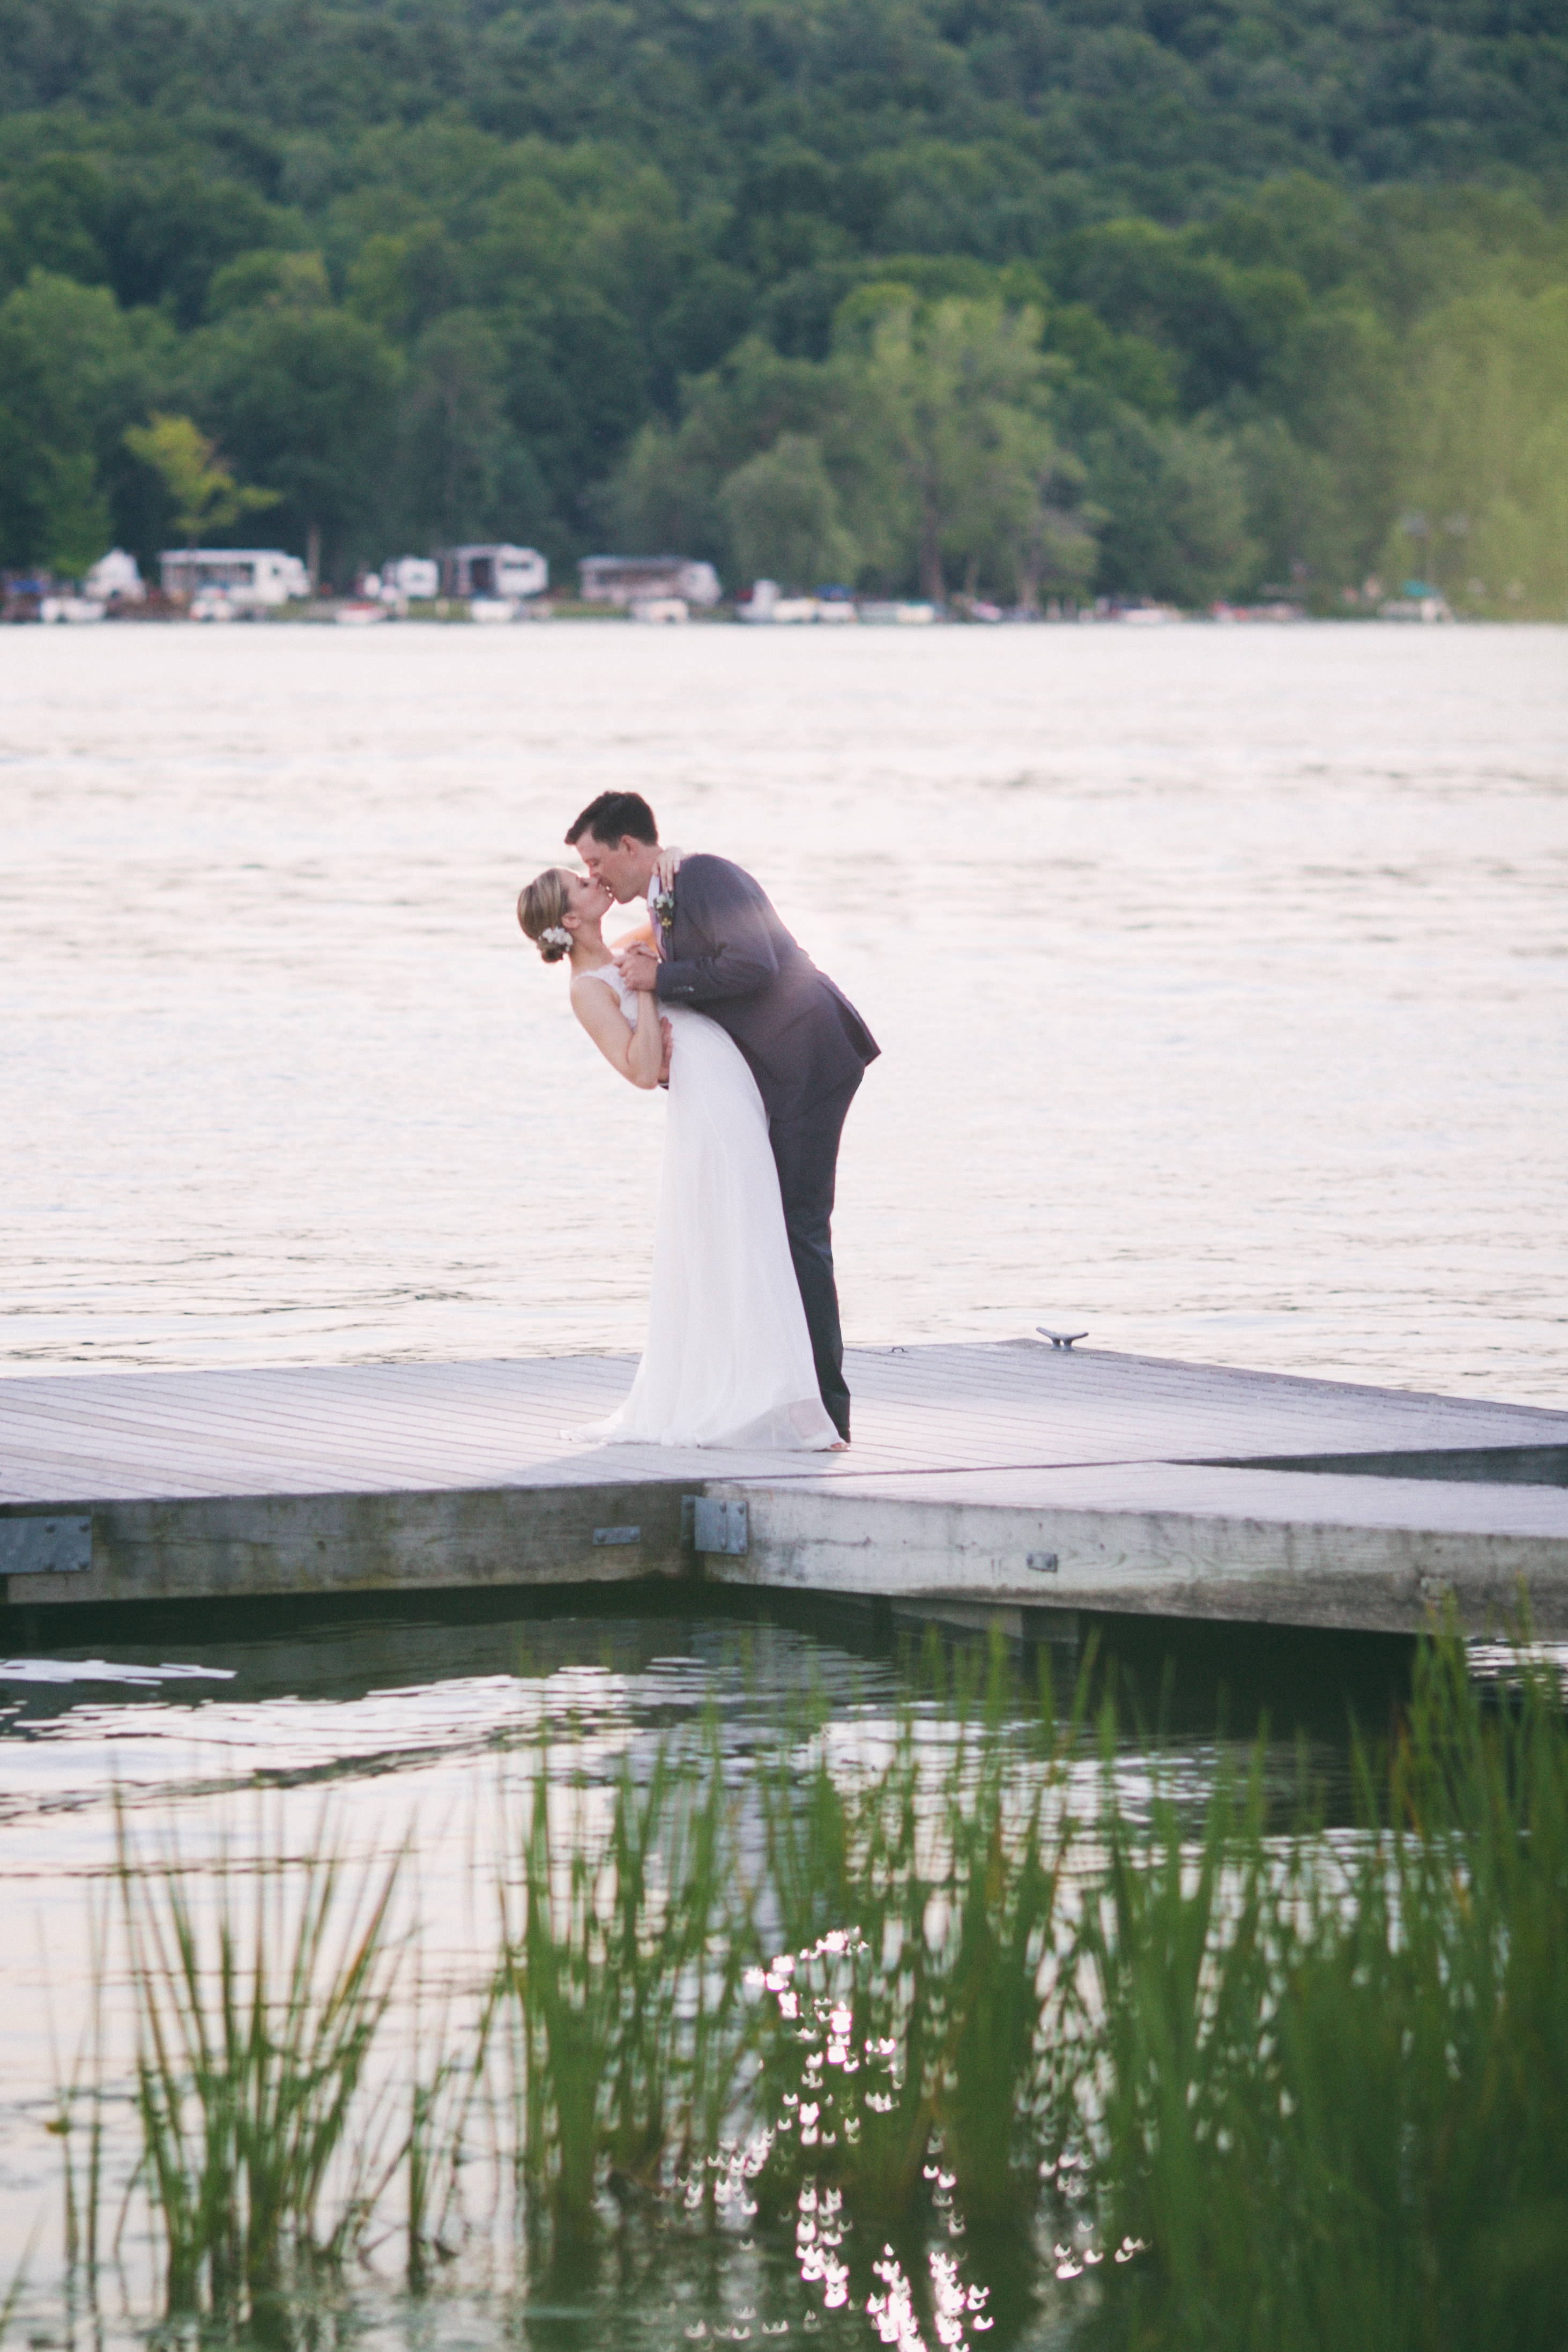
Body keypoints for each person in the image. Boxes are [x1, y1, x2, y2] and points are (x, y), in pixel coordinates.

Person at [564, 789, 878, 1444]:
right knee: (777, 1229)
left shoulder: (703, 876)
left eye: (596, 860)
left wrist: (662, 981)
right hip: (770, 1075)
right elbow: (618, 961)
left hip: (809, 1059)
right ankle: (794, 1395)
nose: (594, 875)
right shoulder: (664, 893)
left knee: (799, 1233)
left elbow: (753, 964)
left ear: (628, 846)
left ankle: (826, 1409)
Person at [516, 858, 845, 1451]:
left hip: (732, 1084)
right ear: (569, 917)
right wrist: (646, 998)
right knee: (749, 1234)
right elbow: (641, 1070)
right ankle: (780, 1405)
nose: (595, 881)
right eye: (581, 883)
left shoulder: (626, 947)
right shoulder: (587, 989)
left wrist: (666, 879)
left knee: (755, 1233)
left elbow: (692, 950)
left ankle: (781, 1398)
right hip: (709, 1104)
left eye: (592, 871)